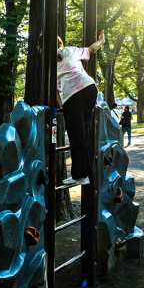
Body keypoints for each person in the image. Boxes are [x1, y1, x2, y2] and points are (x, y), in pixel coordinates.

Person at [56, 31, 106, 185]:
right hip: (90, 88)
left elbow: (56, 90)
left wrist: (62, 106)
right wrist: (102, 41)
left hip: (72, 94)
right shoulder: (69, 51)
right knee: (82, 133)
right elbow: (91, 49)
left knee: (75, 134)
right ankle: (84, 173)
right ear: (60, 44)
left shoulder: (48, 63)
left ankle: (80, 176)